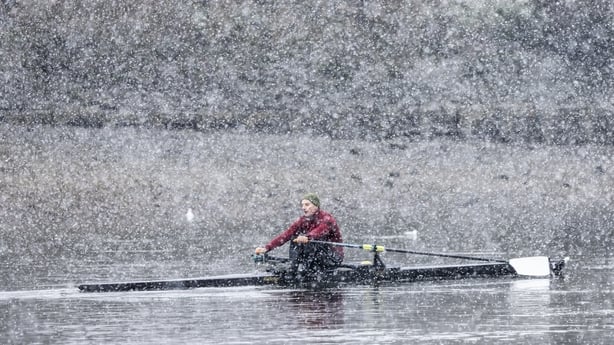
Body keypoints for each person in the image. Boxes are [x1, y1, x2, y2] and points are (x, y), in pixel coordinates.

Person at [255, 193, 343, 276]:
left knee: (310, 242)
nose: (303, 208)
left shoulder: (327, 219)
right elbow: (286, 235)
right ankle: (293, 267)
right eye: (302, 205)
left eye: (307, 205)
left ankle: (298, 270)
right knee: (294, 238)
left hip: (332, 256)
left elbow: (319, 231)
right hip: (317, 257)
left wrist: (307, 237)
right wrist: (267, 248)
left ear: (316, 206)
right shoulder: (303, 220)